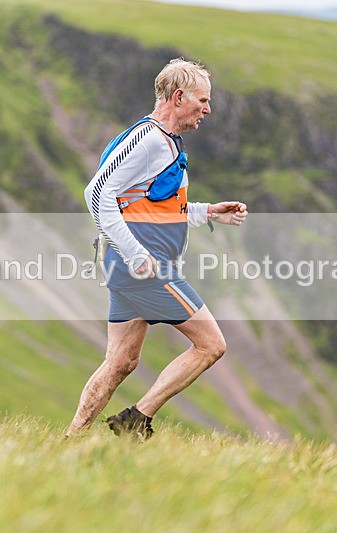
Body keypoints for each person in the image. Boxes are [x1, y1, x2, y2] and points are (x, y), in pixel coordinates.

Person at [67, 58, 247, 440]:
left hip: (132, 267)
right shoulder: (148, 139)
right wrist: (134, 254)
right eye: (202, 100)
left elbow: (153, 206)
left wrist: (207, 212)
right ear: (179, 97)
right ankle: (136, 419)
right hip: (144, 268)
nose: (208, 109)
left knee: (120, 363)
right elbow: (97, 193)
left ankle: (71, 441)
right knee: (211, 344)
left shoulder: (166, 144)